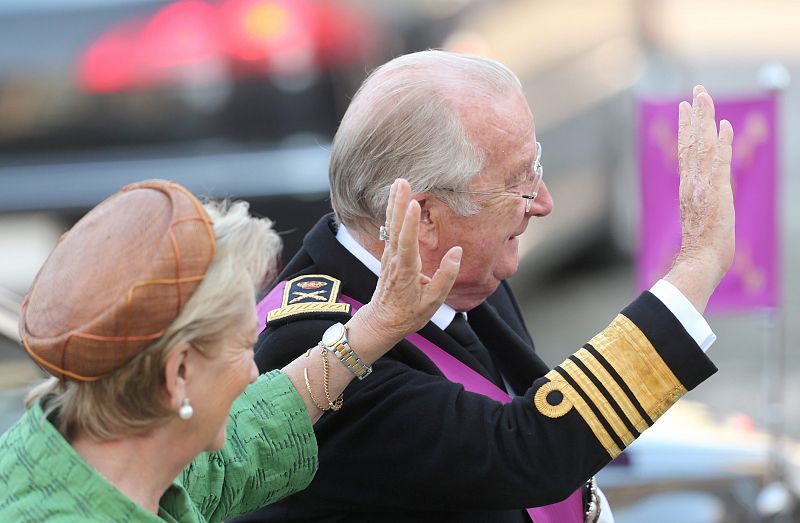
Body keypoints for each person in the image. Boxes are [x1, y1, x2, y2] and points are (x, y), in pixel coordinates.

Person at [243, 51, 734, 523]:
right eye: (518, 183)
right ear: (426, 216)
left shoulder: (464, 278)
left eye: (534, 168)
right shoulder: (312, 347)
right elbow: (522, 450)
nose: (543, 202)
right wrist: (695, 268)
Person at [0, 178, 460, 522]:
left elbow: (250, 440)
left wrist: (379, 323)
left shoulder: (106, 457)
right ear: (178, 373)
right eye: (244, 346)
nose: (253, 373)